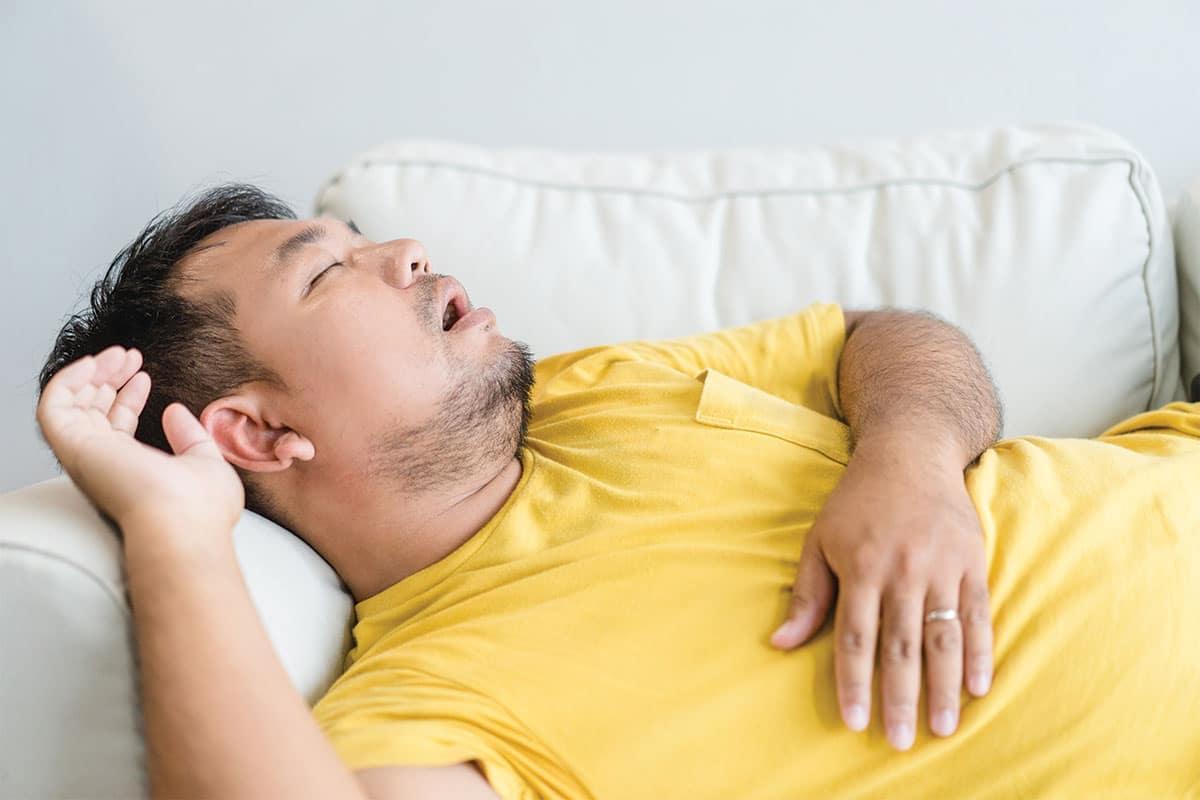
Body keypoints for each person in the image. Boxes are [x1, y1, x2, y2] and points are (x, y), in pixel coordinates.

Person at [35, 185, 1200, 799]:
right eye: (330, 269)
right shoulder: (435, 699)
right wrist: (173, 533)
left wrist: (911, 461)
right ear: (258, 431)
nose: (405, 251)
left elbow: (884, 335)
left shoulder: (589, 388)